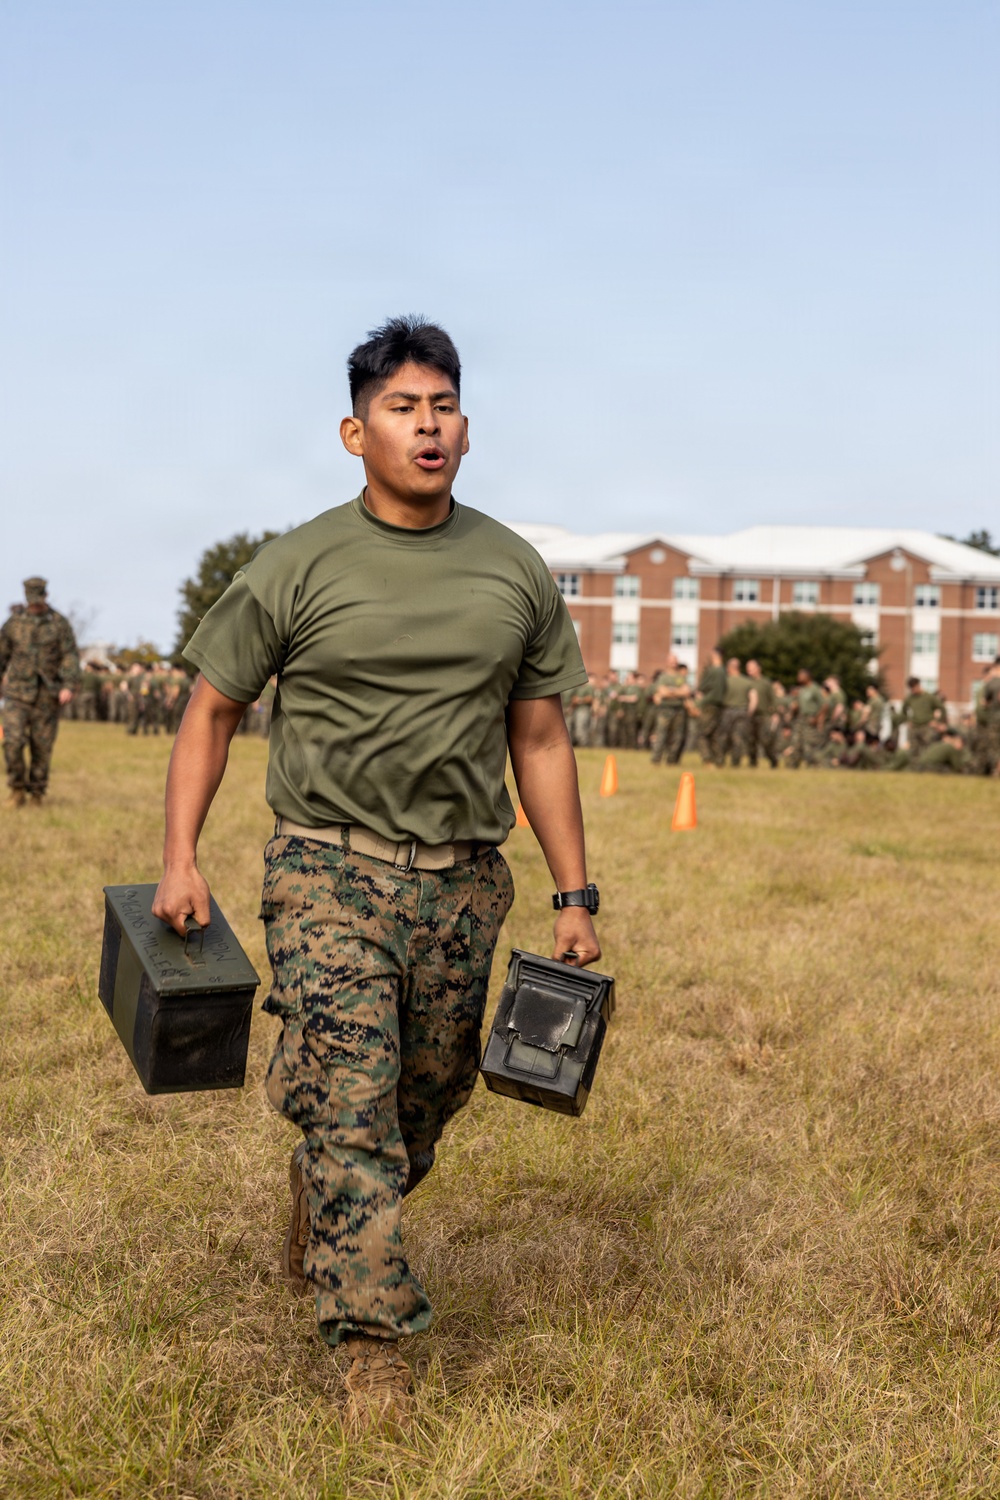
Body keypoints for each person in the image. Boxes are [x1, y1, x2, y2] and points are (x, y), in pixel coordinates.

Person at [151, 316, 601, 1434]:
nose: (428, 424)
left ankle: (329, 1183)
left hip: (462, 883)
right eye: (403, 408)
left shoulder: (512, 571)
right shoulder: (296, 564)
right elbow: (212, 708)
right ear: (356, 432)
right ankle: (372, 1349)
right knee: (355, 1110)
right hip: (325, 871)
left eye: (443, 405)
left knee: (423, 1102)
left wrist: (574, 894)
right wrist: (179, 858)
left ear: (465, 425)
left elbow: (539, 740)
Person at [0, 576, 80, 807]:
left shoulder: (58, 623)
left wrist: (68, 684)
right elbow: (2, 655)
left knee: (41, 746)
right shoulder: (13, 624)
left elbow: (70, 655)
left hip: (47, 694)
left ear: (45, 596)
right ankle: (16, 789)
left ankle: (36, 793)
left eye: (38, 600)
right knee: (13, 742)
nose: (34, 605)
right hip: (17, 693)